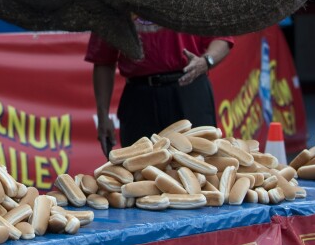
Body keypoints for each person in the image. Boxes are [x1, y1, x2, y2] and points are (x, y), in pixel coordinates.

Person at [85, 18, 233, 157]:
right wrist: (102, 115)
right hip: (139, 98)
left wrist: (206, 61)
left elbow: (222, 37)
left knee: (200, 165)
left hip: (189, 88)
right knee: (140, 172)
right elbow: (103, 60)